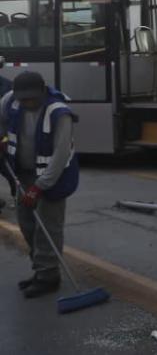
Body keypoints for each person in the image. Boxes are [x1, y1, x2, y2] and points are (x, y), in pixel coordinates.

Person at [0, 71, 79, 299]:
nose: (27, 103)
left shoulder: (59, 113)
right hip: (23, 173)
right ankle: (40, 269)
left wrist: (39, 187)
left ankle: (48, 276)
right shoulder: (10, 101)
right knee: (27, 223)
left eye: (31, 99)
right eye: (23, 99)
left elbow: (60, 155)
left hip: (52, 176)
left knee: (48, 227)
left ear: (43, 91)